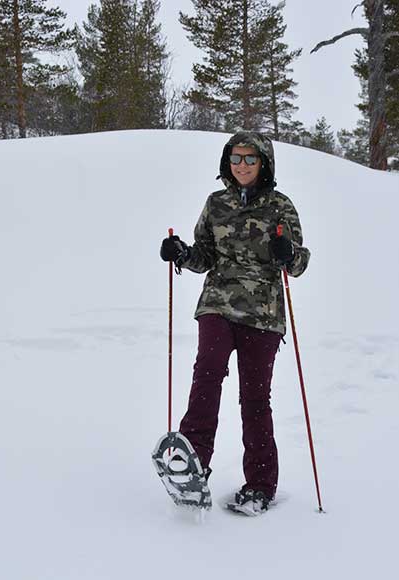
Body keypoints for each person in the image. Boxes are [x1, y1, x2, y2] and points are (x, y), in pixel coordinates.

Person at [159, 131, 310, 514]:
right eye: (236, 158)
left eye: (250, 159)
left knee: (255, 398)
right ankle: (191, 462)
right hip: (218, 302)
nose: (241, 165)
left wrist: (287, 252)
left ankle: (260, 484)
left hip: (262, 311)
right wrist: (182, 253)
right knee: (207, 372)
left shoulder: (280, 206)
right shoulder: (216, 204)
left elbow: (299, 262)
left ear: (264, 164)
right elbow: (204, 255)